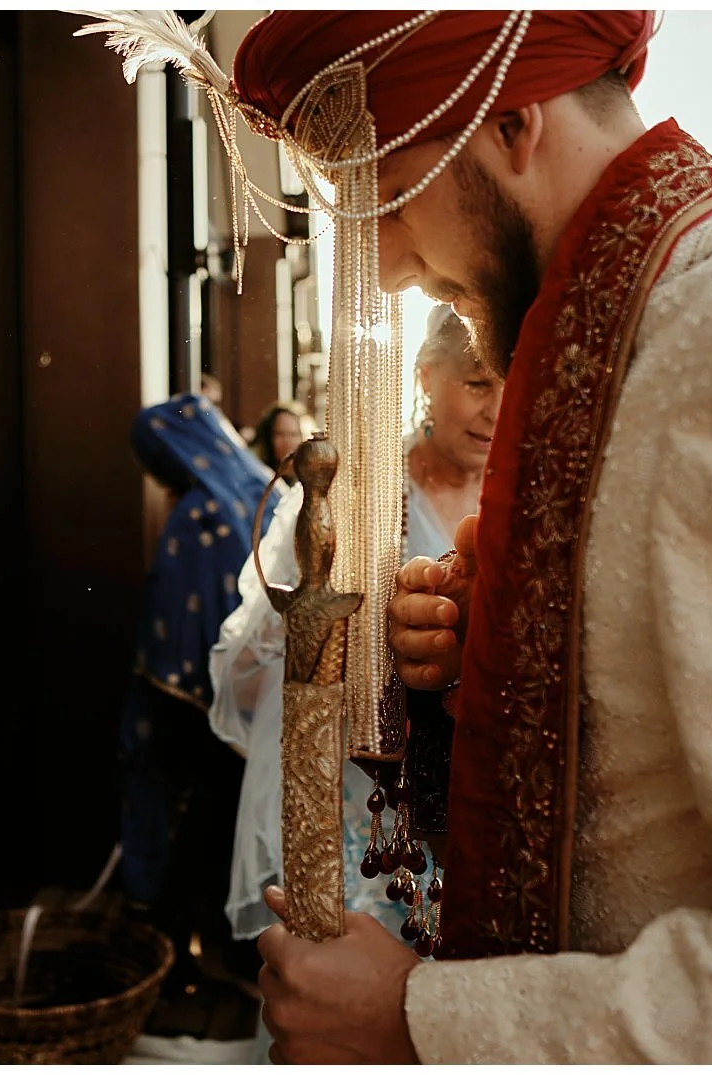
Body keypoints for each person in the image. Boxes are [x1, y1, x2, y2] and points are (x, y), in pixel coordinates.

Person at [217, 10, 712, 1064]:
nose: (376, 271)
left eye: (378, 194)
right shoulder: (604, 357)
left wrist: (424, 1024)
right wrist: (478, 672)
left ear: (510, 122)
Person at [209, 307, 499, 936]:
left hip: (475, 795)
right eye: (477, 383)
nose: (495, 409)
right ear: (424, 378)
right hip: (369, 796)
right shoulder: (364, 496)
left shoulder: (517, 496)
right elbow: (265, 666)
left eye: (506, 383)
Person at [119, 392, 278, 1018]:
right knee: (231, 828)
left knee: (186, 829)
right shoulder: (262, 488)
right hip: (255, 701)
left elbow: (170, 636)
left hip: (190, 705)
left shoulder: (196, 514)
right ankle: (236, 958)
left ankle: (185, 969)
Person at [248, 401, 308, 486]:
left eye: (293, 434)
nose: (287, 441)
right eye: (281, 434)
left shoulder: (307, 479)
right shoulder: (257, 477)